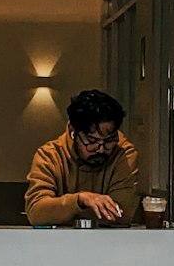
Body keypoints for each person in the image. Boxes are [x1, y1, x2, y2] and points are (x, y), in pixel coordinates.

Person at [26, 90, 140, 226]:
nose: (101, 149)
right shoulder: (49, 155)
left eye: (109, 141)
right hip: (56, 244)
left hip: (111, 243)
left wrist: (61, 212)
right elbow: (36, 213)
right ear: (72, 131)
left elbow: (122, 215)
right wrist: (79, 200)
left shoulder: (124, 153)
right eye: (92, 141)